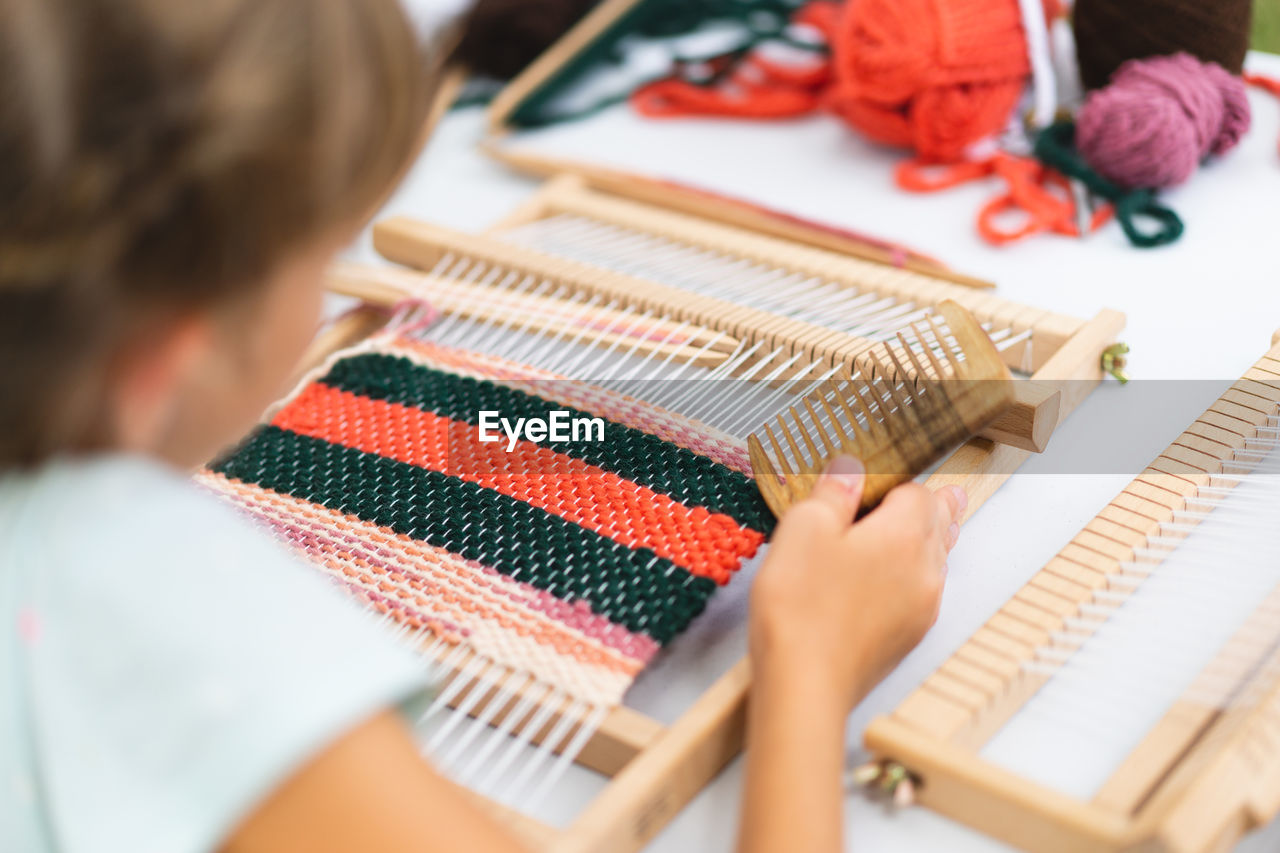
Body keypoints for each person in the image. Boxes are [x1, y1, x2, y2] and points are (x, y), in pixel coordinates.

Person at [0, 1, 965, 850]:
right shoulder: (186, 620)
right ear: (174, 353)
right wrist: (809, 662)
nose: (335, 286)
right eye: (326, 252)